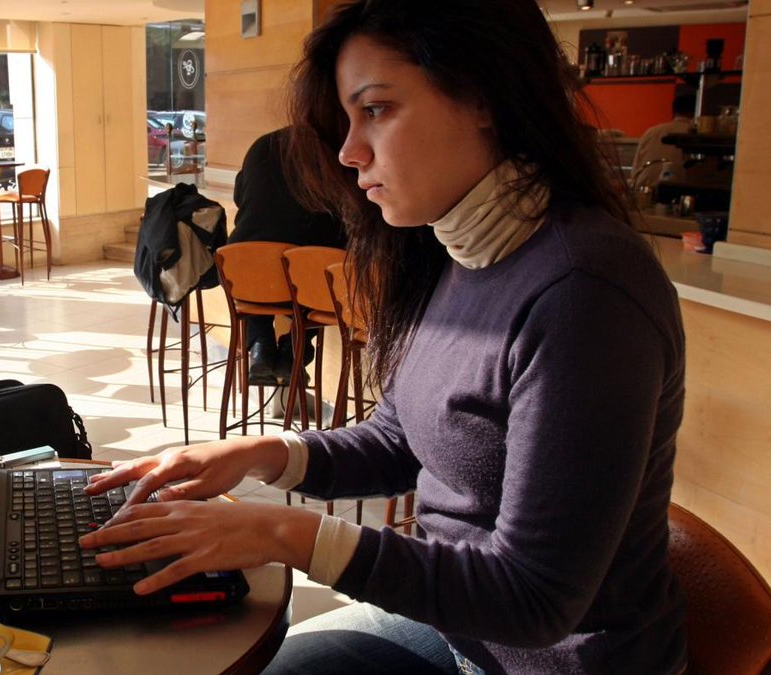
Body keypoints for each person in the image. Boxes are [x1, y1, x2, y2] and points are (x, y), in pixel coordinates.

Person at [79, 1, 686, 673]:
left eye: (376, 109)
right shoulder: (456, 252)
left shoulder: (583, 291)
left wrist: (282, 531)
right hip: (456, 634)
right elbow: (402, 438)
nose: (349, 151)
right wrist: (259, 452)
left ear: (483, 97)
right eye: (348, 119)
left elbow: (535, 600)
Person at [229, 126, 348, 386]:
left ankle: (260, 345)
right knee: (322, 273)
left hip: (242, 272)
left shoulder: (262, 144)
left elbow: (240, 197)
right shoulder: (336, 151)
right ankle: (295, 349)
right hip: (310, 279)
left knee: (259, 256)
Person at [630, 93, 695, 188]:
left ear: (674, 111)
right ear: (694, 111)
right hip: (678, 190)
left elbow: (635, 172)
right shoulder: (695, 133)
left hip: (645, 190)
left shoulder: (651, 132)